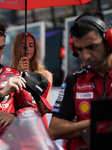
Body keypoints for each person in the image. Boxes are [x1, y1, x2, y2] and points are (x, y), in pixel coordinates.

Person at [48, 11, 112, 150]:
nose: (86, 56)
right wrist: (101, 123)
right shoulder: (74, 80)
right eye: (79, 49)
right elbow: (54, 130)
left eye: (92, 47)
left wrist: (77, 127)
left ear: (109, 40)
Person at [11, 32, 53, 127]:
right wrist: (18, 73)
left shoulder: (46, 75)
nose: (28, 49)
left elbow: (44, 107)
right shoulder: (8, 74)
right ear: (17, 49)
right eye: (23, 46)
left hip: (38, 125)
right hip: (17, 125)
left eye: (31, 45)